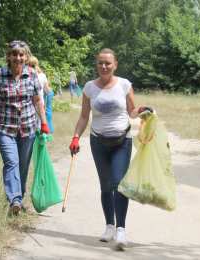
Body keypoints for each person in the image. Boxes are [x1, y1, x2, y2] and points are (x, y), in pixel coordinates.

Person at [69, 48, 152, 250]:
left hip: (121, 141)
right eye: (100, 63)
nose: (104, 66)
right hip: (98, 142)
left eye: (108, 63)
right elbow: (83, 116)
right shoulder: (89, 88)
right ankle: (109, 226)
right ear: (96, 64)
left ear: (115, 64)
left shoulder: (124, 85)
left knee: (118, 183)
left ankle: (121, 229)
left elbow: (132, 112)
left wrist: (141, 111)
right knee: (105, 185)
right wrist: (75, 137)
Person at [0, 40, 49, 216]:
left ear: (26, 56)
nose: (17, 58)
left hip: (27, 128)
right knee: (11, 162)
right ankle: (15, 200)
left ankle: (20, 196)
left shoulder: (32, 75)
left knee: (23, 166)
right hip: (5, 128)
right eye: (14, 54)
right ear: (8, 56)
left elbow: (37, 100)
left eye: (21, 54)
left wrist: (44, 122)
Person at [28, 56, 54, 133]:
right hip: (40, 104)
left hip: (29, 104)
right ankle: (40, 143)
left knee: (30, 127)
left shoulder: (25, 75)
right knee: (39, 126)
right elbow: (48, 91)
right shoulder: (42, 75)